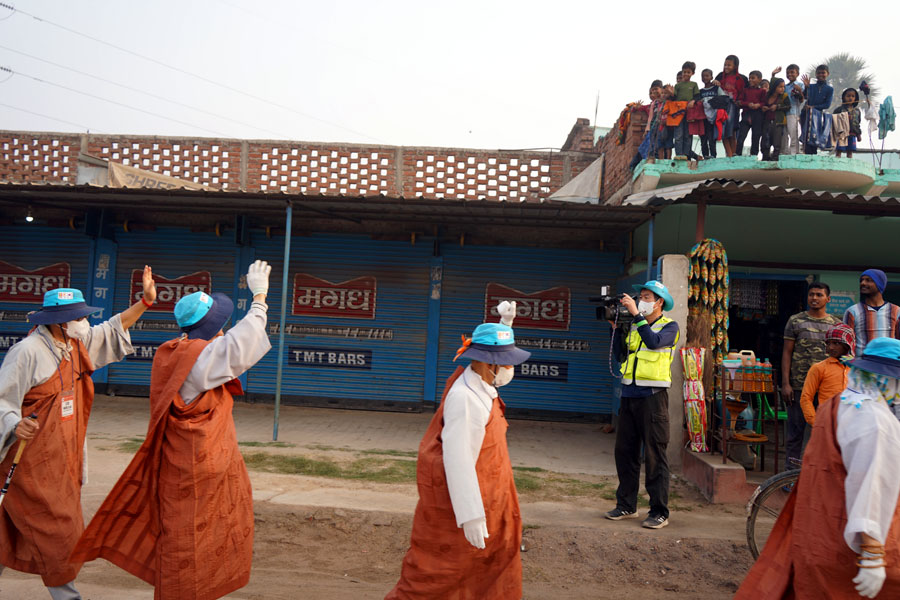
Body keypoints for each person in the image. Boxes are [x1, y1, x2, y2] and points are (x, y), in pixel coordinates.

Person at [70, 261, 273, 600]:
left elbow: (234, 343)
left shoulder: (175, 351)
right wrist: (260, 295)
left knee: (196, 539)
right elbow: (245, 339)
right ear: (212, 328)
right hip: (193, 472)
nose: (224, 327)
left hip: (187, 467)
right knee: (186, 545)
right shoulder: (200, 359)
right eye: (221, 323)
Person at [0, 268, 157, 600]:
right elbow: (2, 399)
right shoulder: (27, 352)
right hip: (29, 462)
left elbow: (113, 329)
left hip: (64, 459)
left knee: (7, 529)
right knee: (59, 532)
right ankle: (68, 597)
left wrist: (145, 301)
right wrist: (15, 423)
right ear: (58, 322)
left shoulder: (73, 344)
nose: (83, 323)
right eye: (77, 318)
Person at [735, 337, 900, 599]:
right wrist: (872, 554)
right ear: (887, 379)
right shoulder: (876, 422)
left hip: (818, 535)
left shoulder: (836, 404)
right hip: (849, 548)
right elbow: (871, 486)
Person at [386, 301, 529, 599]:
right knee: (439, 577)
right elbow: (458, 460)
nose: (510, 370)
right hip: (466, 510)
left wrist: (506, 325)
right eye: (507, 364)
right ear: (489, 365)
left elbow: (496, 349)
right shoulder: (466, 399)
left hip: (491, 498)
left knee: (485, 574)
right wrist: (472, 516)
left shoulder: (480, 385)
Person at [605, 280, 679, 529]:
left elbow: (654, 343)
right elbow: (620, 356)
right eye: (640, 297)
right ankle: (626, 505)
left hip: (653, 398)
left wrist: (636, 316)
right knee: (625, 453)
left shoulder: (670, 327)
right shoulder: (635, 327)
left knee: (655, 454)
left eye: (646, 297)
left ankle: (659, 511)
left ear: (659, 302)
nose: (641, 301)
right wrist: (615, 328)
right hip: (629, 395)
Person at [781, 282, 840, 468]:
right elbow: (787, 353)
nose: (814, 298)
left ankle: (817, 474)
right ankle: (789, 477)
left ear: (828, 299)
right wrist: (786, 383)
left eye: (819, 295)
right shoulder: (795, 321)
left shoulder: (836, 324)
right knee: (795, 434)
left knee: (824, 433)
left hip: (826, 389)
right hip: (799, 386)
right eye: (811, 294)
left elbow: (842, 356)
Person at [799, 323, 854, 425]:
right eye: (828, 343)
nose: (831, 347)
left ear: (847, 345)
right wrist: (815, 422)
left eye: (836, 343)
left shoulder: (856, 369)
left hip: (852, 424)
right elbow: (806, 398)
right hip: (827, 423)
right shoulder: (819, 368)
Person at [844, 269, 900, 357]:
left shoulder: (896, 311)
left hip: (888, 365)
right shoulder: (852, 311)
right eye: (861, 280)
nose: (863, 283)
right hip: (862, 367)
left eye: (868, 280)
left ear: (879, 284)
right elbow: (846, 343)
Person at [713, 54, 748, 157]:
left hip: (733, 107)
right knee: (723, 130)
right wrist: (714, 82)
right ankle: (729, 154)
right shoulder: (720, 76)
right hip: (722, 106)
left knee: (732, 131)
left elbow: (746, 92)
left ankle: (734, 153)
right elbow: (714, 89)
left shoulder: (742, 79)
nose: (726, 67)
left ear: (735, 66)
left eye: (729, 65)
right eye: (725, 65)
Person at [801, 64, 834, 154]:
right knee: (805, 136)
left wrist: (814, 107)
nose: (821, 75)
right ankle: (807, 155)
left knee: (814, 136)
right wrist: (806, 87)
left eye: (823, 73)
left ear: (827, 74)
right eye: (818, 73)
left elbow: (827, 105)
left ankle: (813, 155)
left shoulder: (829, 89)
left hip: (817, 116)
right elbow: (804, 97)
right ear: (816, 74)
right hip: (806, 114)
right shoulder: (811, 86)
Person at [774, 64, 805, 155]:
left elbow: (802, 98)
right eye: (788, 73)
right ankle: (784, 152)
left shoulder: (800, 85)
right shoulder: (785, 86)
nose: (789, 74)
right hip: (783, 113)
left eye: (792, 72)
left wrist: (799, 91)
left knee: (793, 133)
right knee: (784, 134)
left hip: (793, 113)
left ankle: (794, 152)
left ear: (797, 74)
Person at [736, 70, 766, 157]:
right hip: (746, 115)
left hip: (758, 116)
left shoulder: (762, 91)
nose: (750, 80)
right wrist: (748, 104)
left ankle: (754, 155)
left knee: (756, 136)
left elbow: (764, 102)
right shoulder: (745, 90)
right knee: (741, 136)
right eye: (749, 78)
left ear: (760, 79)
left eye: (753, 78)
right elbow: (740, 101)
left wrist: (758, 105)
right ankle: (737, 154)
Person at [672, 61, 699, 159]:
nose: (686, 74)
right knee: (678, 134)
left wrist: (693, 101)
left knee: (688, 134)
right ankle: (679, 154)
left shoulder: (694, 84)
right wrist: (670, 93)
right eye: (684, 72)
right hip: (678, 113)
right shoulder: (678, 86)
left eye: (688, 72)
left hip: (690, 112)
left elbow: (697, 96)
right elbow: (673, 98)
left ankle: (687, 155)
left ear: (692, 73)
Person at [697, 68, 726, 159]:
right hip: (703, 118)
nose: (705, 78)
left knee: (711, 138)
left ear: (711, 77)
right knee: (703, 138)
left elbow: (723, 98)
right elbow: (697, 102)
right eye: (703, 76)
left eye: (707, 76)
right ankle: (705, 155)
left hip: (714, 117)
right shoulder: (700, 91)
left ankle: (713, 155)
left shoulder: (716, 88)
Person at [761, 78, 790, 161]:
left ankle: (775, 158)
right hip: (766, 121)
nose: (782, 89)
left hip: (778, 122)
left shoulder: (784, 96)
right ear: (774, 87)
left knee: (777, 142)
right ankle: (765, 158)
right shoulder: (767, 96)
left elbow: (788, 106)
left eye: (783, 87)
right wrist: (763, 108)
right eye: (780, 87)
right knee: (765, 141)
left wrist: (777, 107)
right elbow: (762, 104)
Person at [834, 88, 863, 159]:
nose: (850, 98)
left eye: (853, 96)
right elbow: (834, 121)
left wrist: (858, 134)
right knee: (839, 150)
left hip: (852, 134)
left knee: (850, 151)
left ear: (855, 98)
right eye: (848, 96)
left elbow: (857, 123)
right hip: (842, 134)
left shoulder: (857, 111)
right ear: (844, 97)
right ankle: (837, 162)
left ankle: (849, 163)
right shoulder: (839, 110)